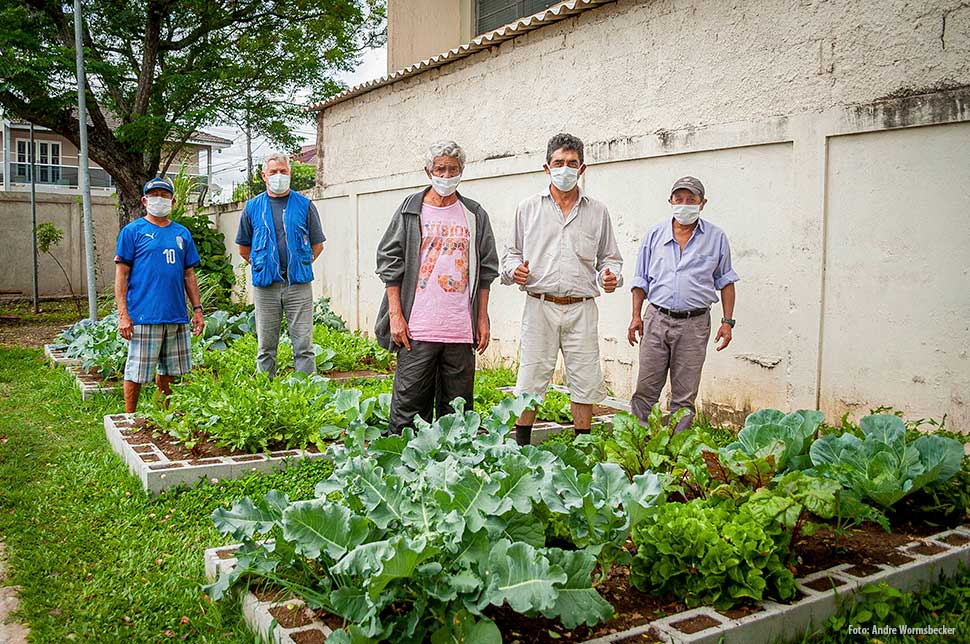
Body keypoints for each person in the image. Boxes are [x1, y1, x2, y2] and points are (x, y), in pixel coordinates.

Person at [501, 133, 623, 446]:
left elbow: (610, 259)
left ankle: (583, 448)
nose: (565, 169)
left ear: (582, 169)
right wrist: (515, 271)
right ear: (546, 167)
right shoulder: (527, 208)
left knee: (584, 378)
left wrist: (611, 276)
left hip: (581, 306)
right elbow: (510, 255)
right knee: (531, 378)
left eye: (572, 163)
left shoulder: (598, 211)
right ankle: (521, 449)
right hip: (539, 304)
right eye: (558, 163)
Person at [375, 140, 499, 435]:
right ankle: (406, 473)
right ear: (428, 171)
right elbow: (389, 262)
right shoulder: (410, 211)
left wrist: (482, 317)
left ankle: (450, 474)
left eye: (452, 169)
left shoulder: (474, 214)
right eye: (440, 169)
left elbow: (486, 271)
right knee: (408, 412)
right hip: (417, 329)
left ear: (461, 172)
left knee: (457, 414)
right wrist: (396, 315)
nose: (446, 175)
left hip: (459, 329)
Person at [627, 176, 739, 431]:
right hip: (655, 319)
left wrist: (728, 322)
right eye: (679, 199)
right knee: (646, 389)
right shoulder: (654, 235)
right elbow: (640, 280)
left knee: (684, 395)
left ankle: (679, 450)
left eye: (691, 199)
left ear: (703, 203)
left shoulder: (716, 237)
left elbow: (726, 281)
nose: (684, 204)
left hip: (694, 324)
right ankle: (638, 446)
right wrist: (636, 316)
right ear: (671, 202)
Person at [115, 177, 205, 413]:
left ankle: (164, 414)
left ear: (173, 201)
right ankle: (128, 417)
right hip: (144, 316)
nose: (159, 200)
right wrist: (123, 315)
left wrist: (197, 310)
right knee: (136, 371)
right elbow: (121, 275)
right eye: (154, 195)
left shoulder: (182, 234)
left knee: (169, 371)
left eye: (164, 196)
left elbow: (189, 274)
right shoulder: (132, 232)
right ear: (145, 200)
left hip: (175, 315)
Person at [236, 152, 325, 378]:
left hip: (298, 285)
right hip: (266, 287)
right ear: (264, 175)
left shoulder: (305, 205)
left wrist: (299, 265)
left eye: (283, 171)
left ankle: (307, 390)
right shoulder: (252, 207)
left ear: (290, 173)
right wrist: (262, 265)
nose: (278, 176)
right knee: (265, 347)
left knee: (304, 346)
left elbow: (318, 245)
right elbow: (243, 248)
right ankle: (266, 392)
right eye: (273, 172)